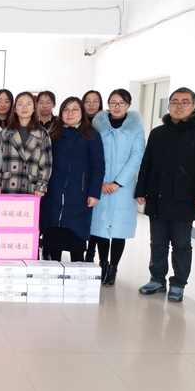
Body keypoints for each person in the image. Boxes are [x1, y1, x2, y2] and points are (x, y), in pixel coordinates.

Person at [136, 87, 195, 302]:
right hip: (157, 195)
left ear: (193, 106)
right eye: (175, 102)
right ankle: (157, 279)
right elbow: (147, 163)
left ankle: (178, 283)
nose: (179, 106)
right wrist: (141, 190)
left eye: (184, 102)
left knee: (181, 244)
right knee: (157, 241)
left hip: (185, 198)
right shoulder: (158, 132)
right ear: (168, 106)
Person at [90, 89, 145, 286]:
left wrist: (117, 183)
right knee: (100, 227)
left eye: (121, 103)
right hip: (101, 183)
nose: (117, 106)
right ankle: (103, 264)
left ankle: (113, 267)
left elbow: (136, 158)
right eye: (113, 102)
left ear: (128, 105)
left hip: (123, 187)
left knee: (119, 229)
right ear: (108, 104)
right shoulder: (98, 126)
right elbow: (93, 156)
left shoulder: (136, 129)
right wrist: (102, 182)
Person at [40, 97, 105, 262]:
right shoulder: (52, 135)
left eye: (75, 110)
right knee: (53, 243)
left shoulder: (91, 136)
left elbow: (98, 167)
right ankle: (53, 273)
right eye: (66, 110)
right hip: (53, 193)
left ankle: (77, 274)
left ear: (82, 113)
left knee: (76, 245)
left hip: (79, 195)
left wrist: (94, 193)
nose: (70, 114)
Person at [0, 92, 52, 195]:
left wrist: (41, 186)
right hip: (7, 185)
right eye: (20, 104)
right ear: (15, 109)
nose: (24, 107)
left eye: (28, 104)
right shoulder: (5, 133)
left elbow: (46, 164)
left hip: (31, 187)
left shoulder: (42, 133)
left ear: (34, 108)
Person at [83, 90, 105, 262]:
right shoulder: (75, 123)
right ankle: (86, 254)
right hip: (81, 179)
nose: (91, 104)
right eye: (87, 101)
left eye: (95, 101)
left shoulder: (105, 125)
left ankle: (93, 255)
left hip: (100, 179)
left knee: (98, 223)